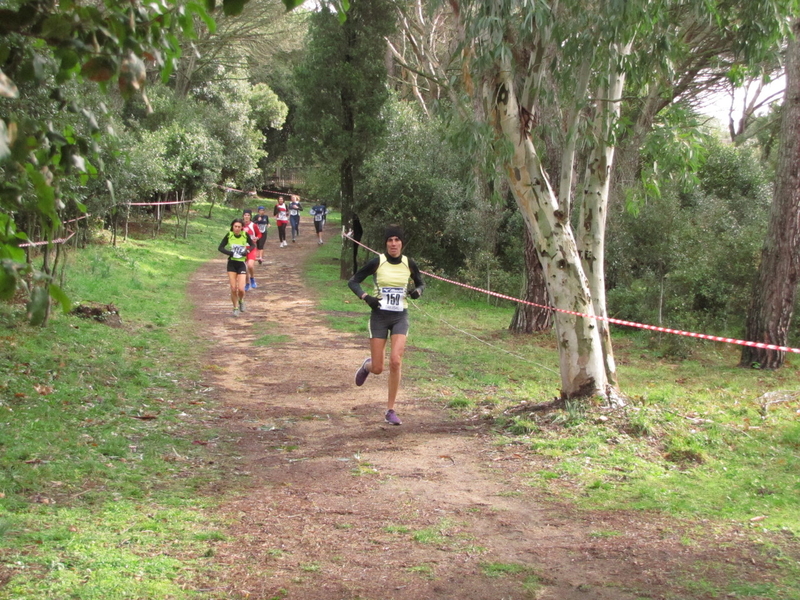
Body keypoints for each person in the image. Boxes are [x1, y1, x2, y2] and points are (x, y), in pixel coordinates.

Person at [348, 225, 425, 425]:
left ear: (401, 243)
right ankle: (367, 365)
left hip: (400, 316)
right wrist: (366, 297)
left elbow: (420, 283)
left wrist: (418, 292)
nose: (393, 243)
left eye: (396, 240)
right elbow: (353, 281)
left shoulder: (409, 263)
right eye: (390, 240)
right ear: (385, 243)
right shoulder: (377, 262)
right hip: (379, 317)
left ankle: (390, 410)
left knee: (396, 361)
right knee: (378, 368)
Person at [218, 219, 255, 317]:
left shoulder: (245, 235)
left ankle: (241, 300)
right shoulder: (229, 235)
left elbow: (252, 245)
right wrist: (230, 253)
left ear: (242, 227)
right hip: (231, 263)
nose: (237, 228)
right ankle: (235, 308)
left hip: (241, 263)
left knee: (241, 289)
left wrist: (247, 252)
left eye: (239, 227)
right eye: (235, 226)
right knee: (233, 288)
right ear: (232, 227)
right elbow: (220, 248)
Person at [241, 209, 261, 290]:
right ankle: (247, 283)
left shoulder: (253, 225)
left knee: (250, 265)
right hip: (242, 248)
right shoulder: (240, 225)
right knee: (244, 267)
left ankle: (252, 278)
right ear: (243, 216)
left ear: (250, 216)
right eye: (245, 215)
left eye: (248, 215)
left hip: (252, 247)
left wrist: (257, 238)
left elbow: (259, 233)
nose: (246, 216)